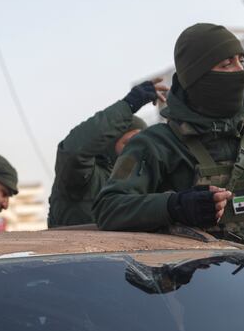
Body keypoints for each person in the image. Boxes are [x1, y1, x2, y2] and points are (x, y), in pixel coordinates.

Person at [93, 23, 244, 261]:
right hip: (204, 290)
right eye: (226, 64)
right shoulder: (157, 144)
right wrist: (175, 206)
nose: (240, 71)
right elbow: (109, 208)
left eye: (241, 60)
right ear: (197, 77)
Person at [47, 78, 166, 227]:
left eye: (141, 143)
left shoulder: (140, 182)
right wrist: (129, 105)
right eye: (129, 142)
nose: (136, 149)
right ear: (110, 142)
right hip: (74, 248)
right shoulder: (84, 178)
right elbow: (73, 151)